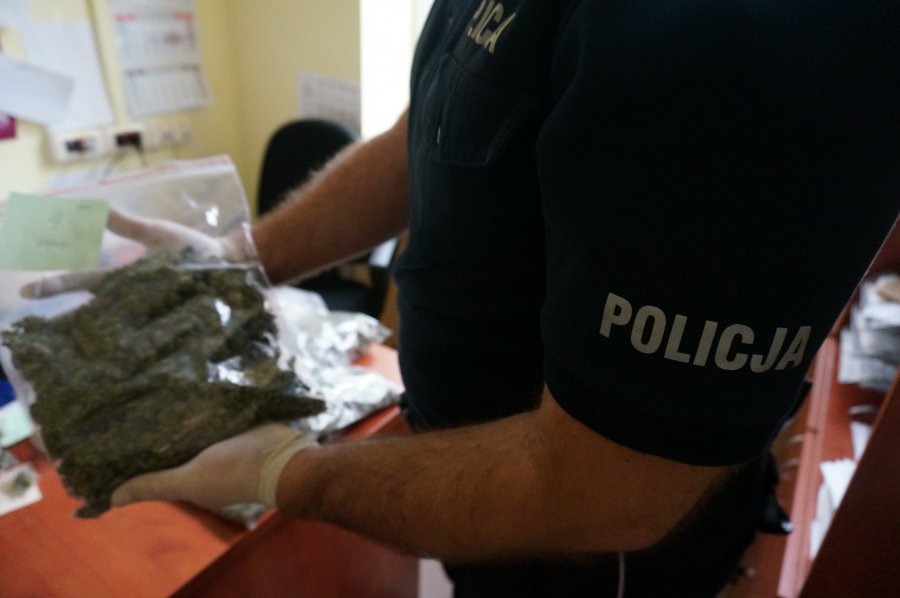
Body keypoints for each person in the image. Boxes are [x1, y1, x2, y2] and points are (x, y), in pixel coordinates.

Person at [32, 1, 900, 596]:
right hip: (475, 507)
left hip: (590, 558)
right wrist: (241, 256)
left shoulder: (749, 35)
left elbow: (605, 495)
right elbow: (432, 124)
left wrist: (287, 474)